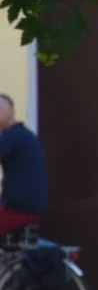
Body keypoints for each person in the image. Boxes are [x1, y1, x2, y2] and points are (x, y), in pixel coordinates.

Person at [0, 95, 47, 238]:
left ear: (11, 112)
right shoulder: (25, 135)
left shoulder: (13, 136)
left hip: (17, 209)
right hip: (29, 209)